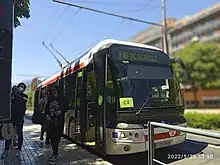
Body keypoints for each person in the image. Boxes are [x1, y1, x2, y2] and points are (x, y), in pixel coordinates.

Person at [1, 83, 27, 158]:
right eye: (20, 87)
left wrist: (16, 96)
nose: (20, 88)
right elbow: (8, 103)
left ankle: (19, 149)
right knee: (8, 134)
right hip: (11, 118)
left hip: (19, 118)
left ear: (24, 89)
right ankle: (6, 150)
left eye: (22, 87)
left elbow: (21, 103)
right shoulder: (12, 95)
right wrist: (13, 95)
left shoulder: (24, 96)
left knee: (19, 134)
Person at [43, 87, 64, 163]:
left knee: (56, 139)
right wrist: (47, 115)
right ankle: (55, 153)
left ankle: (55, 154)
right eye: (52, 91)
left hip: (59, 122)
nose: (53, 93)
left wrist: (61, 112)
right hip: (51, 122)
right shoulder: (49, 100)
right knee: (52, 139)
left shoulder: (61, 100)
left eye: (54, 91)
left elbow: (65, 107)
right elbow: (45, 110)